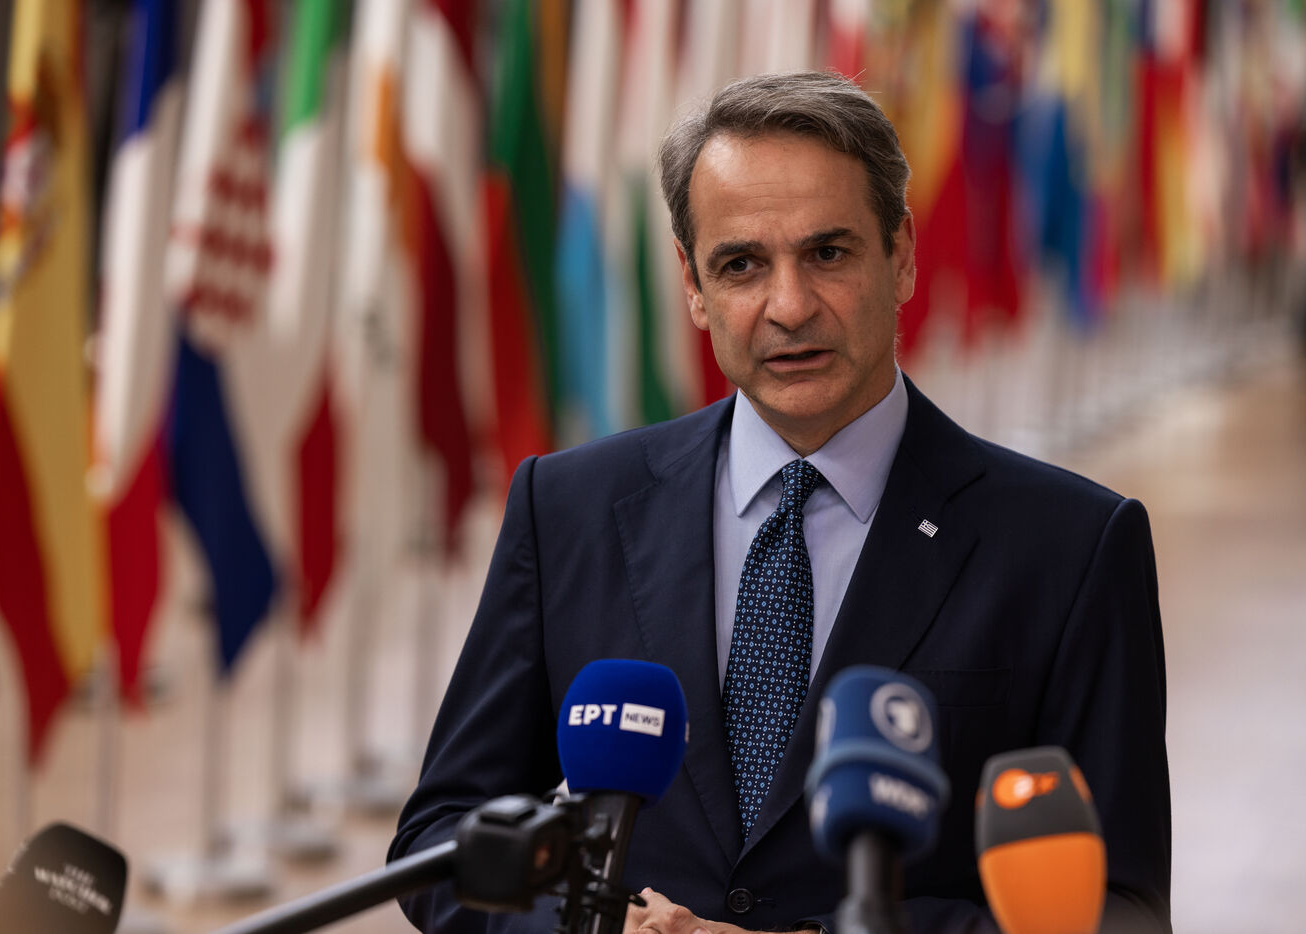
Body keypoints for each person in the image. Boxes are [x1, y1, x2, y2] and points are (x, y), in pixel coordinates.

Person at [390, 71, 1171, 934]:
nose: (789, 307)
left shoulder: (1072, 547)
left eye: (828, 254)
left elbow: (1120, 912)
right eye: (742, 265)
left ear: (902, 255)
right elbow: (440, 841)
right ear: (693, 285)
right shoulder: (566, 508)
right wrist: (592, 927)